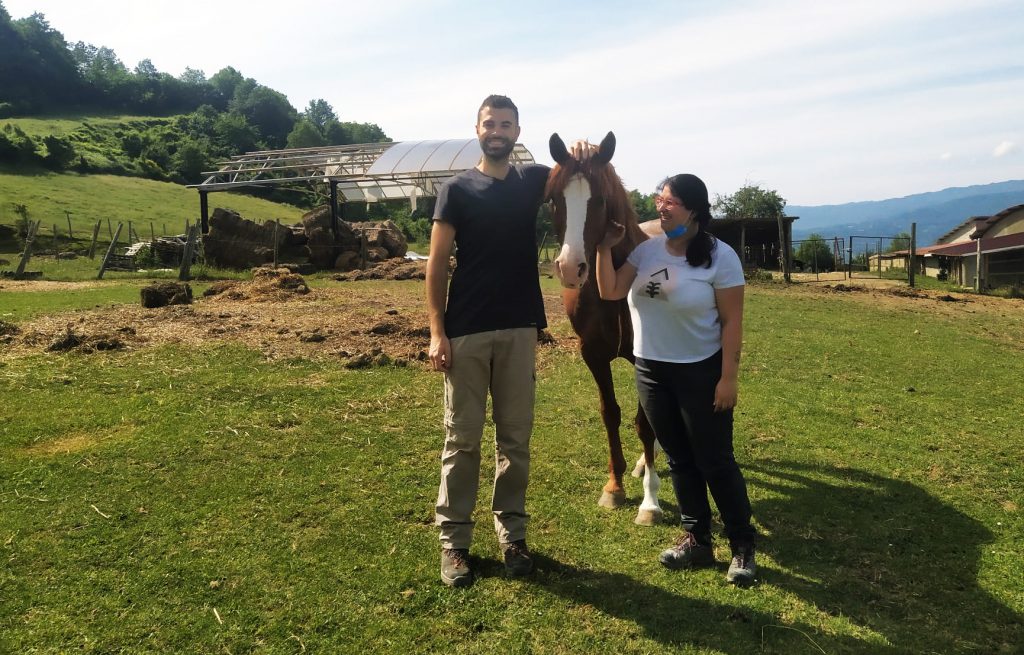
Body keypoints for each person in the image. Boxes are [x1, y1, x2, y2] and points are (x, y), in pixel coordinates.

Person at [594, 173, 758, 586]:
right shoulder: (646, 252)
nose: (660, 208)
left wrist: (728, 379)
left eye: (669, 202)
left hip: (701, 369)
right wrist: (602, 248)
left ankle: (742, 546)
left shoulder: (721, 258)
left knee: (715, 460)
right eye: (659, 200)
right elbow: (611, 290)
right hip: (651, 370)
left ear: (694, 210)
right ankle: (697, 538)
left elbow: (732, 322)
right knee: (679, 459)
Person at [426, 94, 560, 588]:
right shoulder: (456, 189)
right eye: (490, 123)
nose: (497, 130)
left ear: (518, 131)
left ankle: (512, 535)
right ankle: (455, 544)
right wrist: (437, 332)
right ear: (477, 129)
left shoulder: (533, 181)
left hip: (522, 325)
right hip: (466, 329)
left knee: (516, 439)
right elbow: (437, 265)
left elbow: (578, 176)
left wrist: (585, 149)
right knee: (462, 439)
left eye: (506, 123)